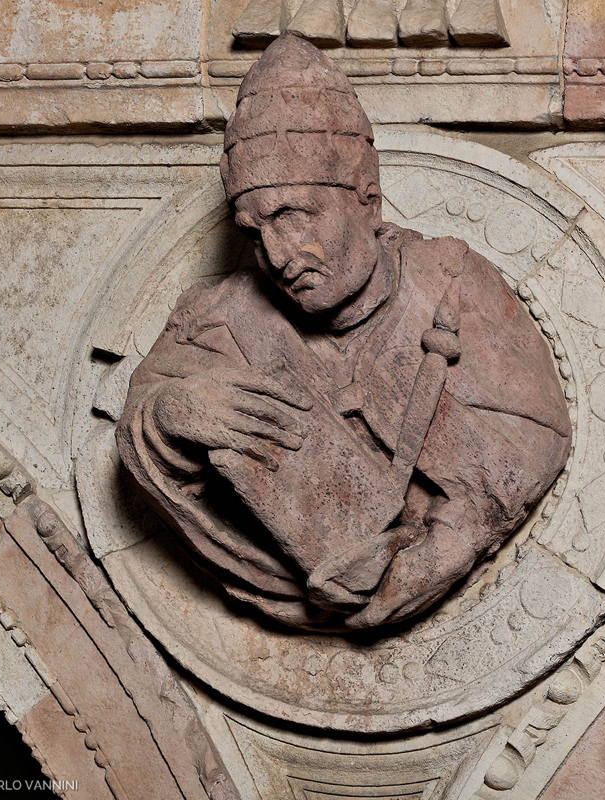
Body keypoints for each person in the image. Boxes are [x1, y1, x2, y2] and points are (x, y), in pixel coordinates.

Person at [116, 34, 571, 631]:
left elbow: (529, 441)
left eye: (294, 217)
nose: (278, 256)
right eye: (254, 232)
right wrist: (173, 414)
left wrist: (439, 551)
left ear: (368, 200)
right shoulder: (220, 317)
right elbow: (143, 419)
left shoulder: (449, 282)